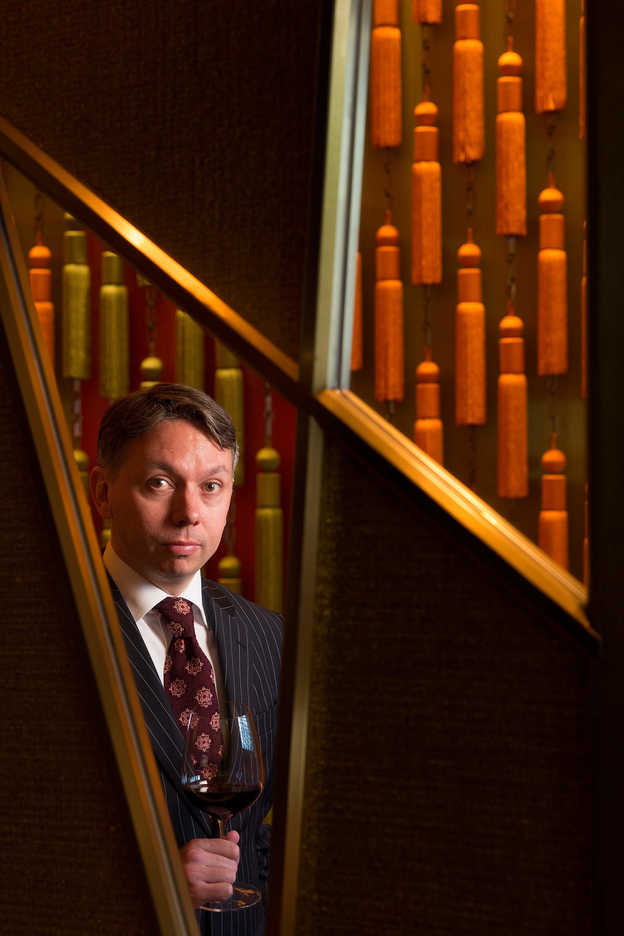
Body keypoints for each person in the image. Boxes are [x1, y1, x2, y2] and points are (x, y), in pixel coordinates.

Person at [90, 383, 283, 936]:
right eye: (159, 483)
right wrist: (149, 885)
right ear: (102, 493)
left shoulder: (269, 637)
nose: (189, 513)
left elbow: (277, 832)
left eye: (212, 487)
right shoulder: (45, 637)